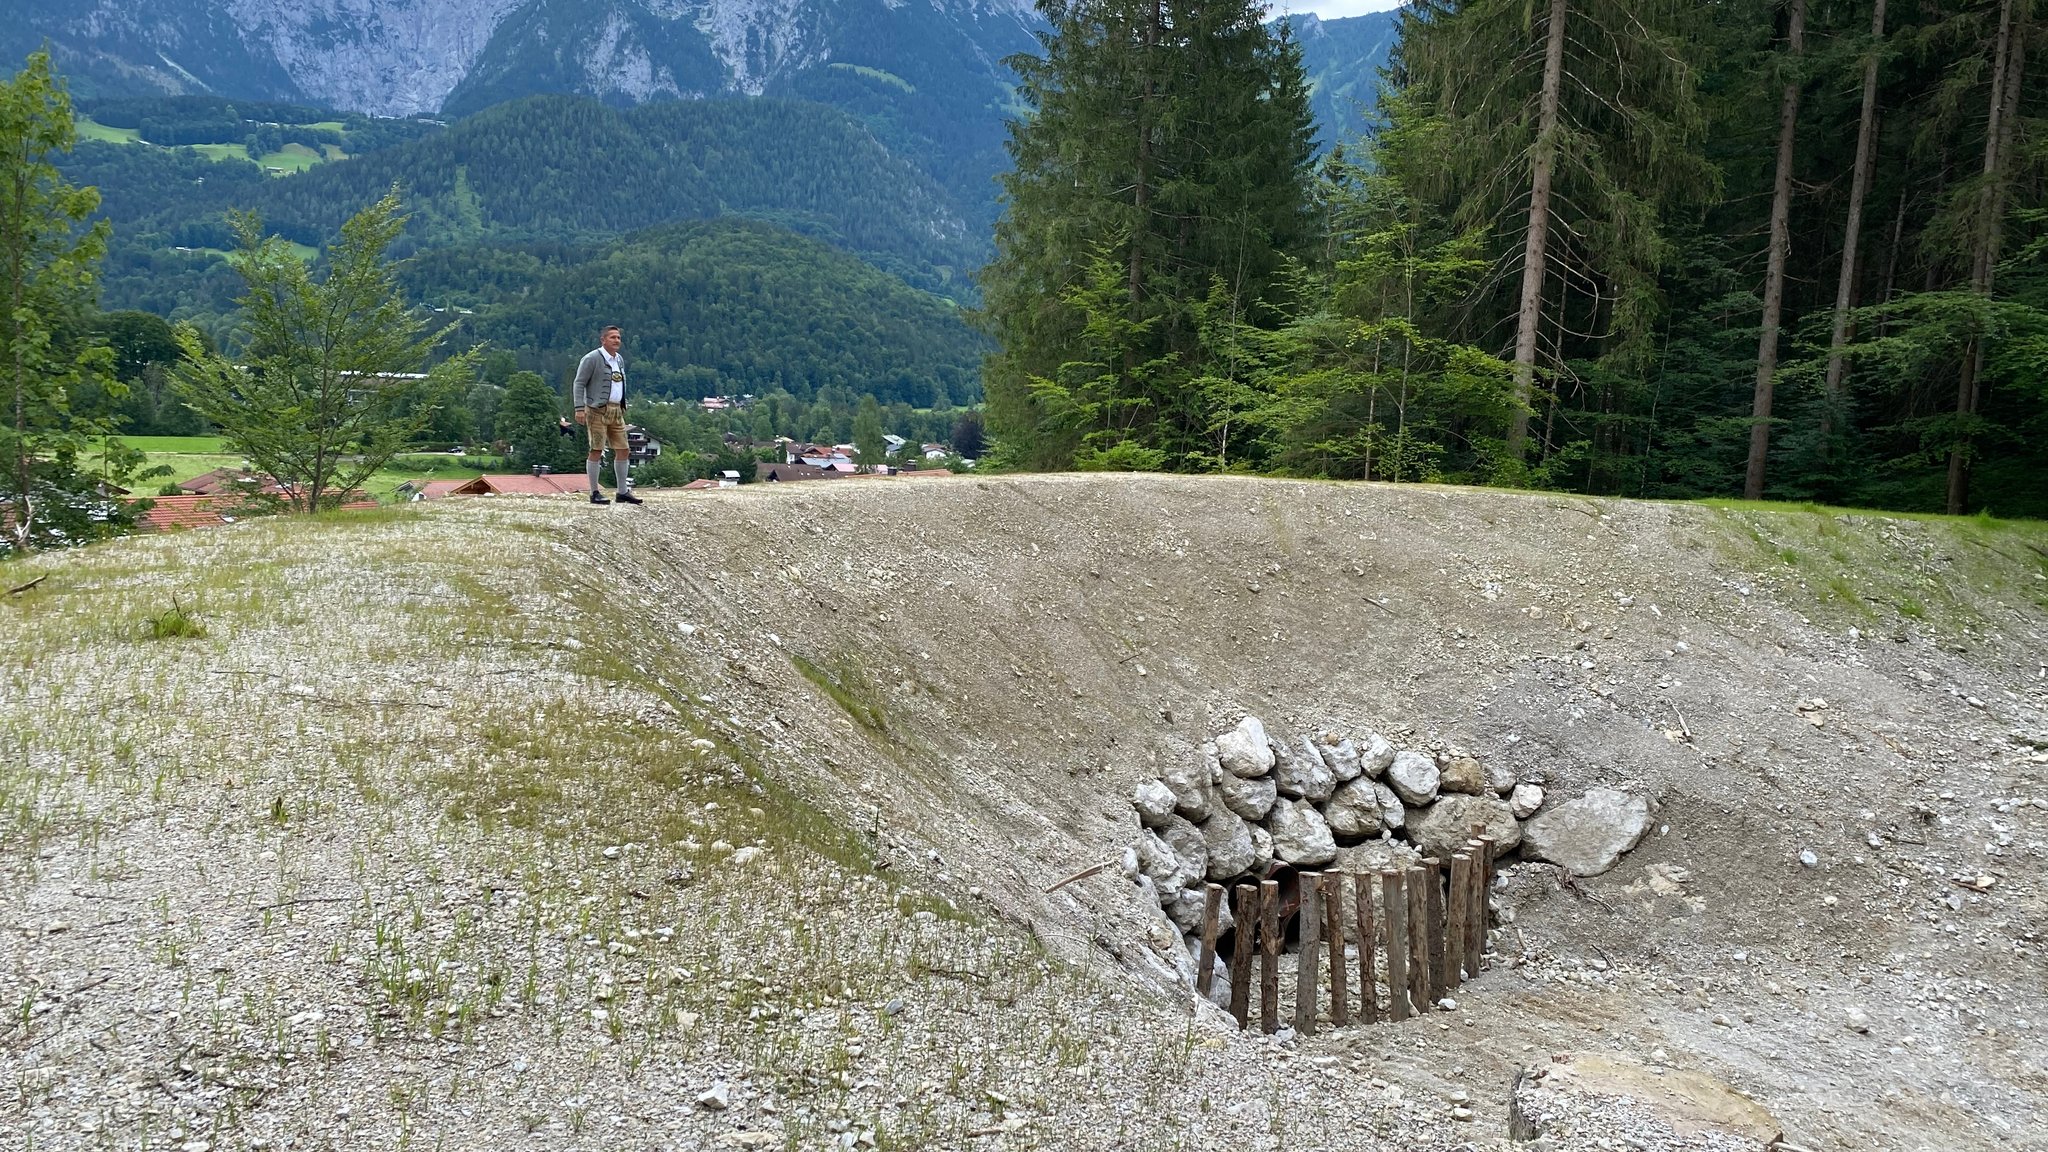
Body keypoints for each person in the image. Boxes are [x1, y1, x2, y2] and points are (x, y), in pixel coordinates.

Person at [571, 325, 642, 505]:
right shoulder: (592, 358)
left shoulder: (619, 359)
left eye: (618, 337)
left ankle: (622, 491)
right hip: (596, 410)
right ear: (603, 340)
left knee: (623, 449)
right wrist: (579, 408)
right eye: (612, 337)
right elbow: (579, 383)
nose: (617, 340)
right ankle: (594, 492)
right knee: (596, 449)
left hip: (617, 411)